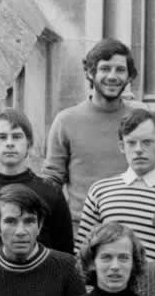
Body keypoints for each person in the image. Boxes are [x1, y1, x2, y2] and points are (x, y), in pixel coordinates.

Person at [41, 37, 147, 217]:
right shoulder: (66, 120)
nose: (112, 76)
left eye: (120, 70)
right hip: (81, 226)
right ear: (90, 73)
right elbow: (52, 179)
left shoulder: (141, 117)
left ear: (129, 76)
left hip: (133, 223)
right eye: (105, 69)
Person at [0, 108, 73, 253]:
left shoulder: (51, 193)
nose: (9, 143)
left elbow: (66, 255)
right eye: (2, 137)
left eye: (16, 137)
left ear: (29, 143)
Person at [73, 108, 155, 263]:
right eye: (131, 143)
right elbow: (83, 253)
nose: (138, 150)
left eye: (147, 142)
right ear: (121, 146)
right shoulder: (100, 191)